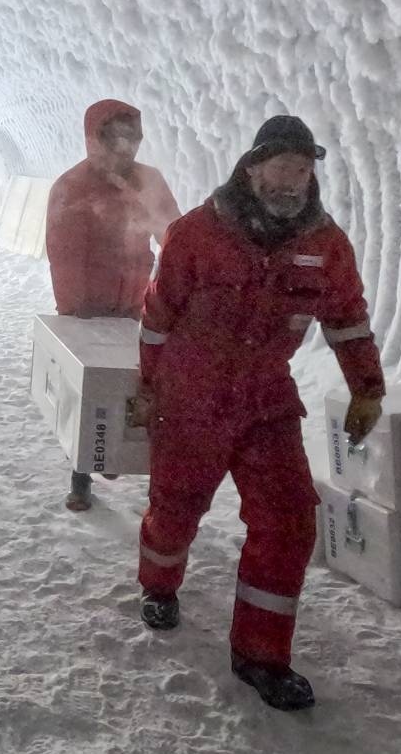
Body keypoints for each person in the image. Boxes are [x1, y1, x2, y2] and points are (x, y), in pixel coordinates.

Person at [129, 115, 385, 712]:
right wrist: (148, 386)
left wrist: (366, 388)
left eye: (303, 169)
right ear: (252, 167)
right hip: (192, 397)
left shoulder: (325, 246)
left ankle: (261, 656)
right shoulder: (197, 233)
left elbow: (347, 318)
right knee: (176, 506)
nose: (292, 180)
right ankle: (159, 584)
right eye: (281, 166)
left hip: (265, 399)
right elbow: (159, 314)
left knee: (290, 519)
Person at [44, 99, 183, 512]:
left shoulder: (149, 182)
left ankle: (146, 473)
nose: (128, 146)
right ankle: (81, 474)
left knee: (145, 389)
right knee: (92, 393)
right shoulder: (72, 187)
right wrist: (76, 310)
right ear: (97, 138)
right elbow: (64, 254)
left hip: (138, 303)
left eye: (133, 136)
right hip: (88, 309)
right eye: (118, 136)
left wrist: (176, 287)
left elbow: (173, 235)